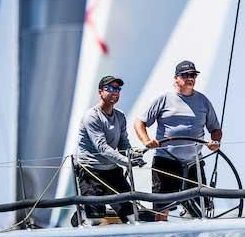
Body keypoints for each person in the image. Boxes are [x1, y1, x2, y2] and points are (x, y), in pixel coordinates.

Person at [134, 60, 222, 221]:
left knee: (200, 211)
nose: (190, 78)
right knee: (162, 211)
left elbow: (215, 130)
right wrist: (147, 141)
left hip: (193, 163)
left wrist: (215, 142)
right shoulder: (164, 99)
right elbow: (140, 122)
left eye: (193, 75)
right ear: (176, 78)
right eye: (186, 75)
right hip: (166, 162)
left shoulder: (203, 101)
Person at [76, 75, 144, 225]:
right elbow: (102, 148)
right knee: (94, 221)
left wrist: (133, 156)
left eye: (118, 89)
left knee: (132, 216)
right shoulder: (92, 116)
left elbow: (124, 143)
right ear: (100, 92)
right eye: (110, 88)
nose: (115, 92)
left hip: (112, 171)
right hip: (91, 172)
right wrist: (127, 162)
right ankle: (82, 213)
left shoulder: (120, 116)